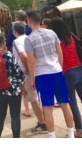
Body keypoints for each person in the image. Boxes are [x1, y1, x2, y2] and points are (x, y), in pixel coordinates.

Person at [24, 10, 75, 138]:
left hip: (42, 75)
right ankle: (70, 133)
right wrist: (60, 67)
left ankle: (52, 136)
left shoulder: (29, 39)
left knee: (47, 106)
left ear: (29, 21)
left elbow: (31, 61)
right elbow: (59, 53)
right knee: (65, 103)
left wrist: (32, 79)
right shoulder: (52, 33)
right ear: (41, 20)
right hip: (57, 71)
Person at [49, 17, 82, 138]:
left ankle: (79, 129)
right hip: (79, 69)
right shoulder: (71, 36)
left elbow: (58, 58)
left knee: (72, 103)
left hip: (67, 73)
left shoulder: (57, 41)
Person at [12, 21, 47, 133]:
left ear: (15, 31)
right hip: (38, 69)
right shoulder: (29, 37)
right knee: (37, 97)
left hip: (27, 72)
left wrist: (28, 71)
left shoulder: (16, 41)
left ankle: (43, 123)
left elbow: (23, 56)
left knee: (33, 99)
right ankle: (45, 121)